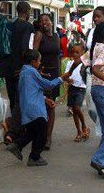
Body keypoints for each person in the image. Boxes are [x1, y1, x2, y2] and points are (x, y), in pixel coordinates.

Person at [67, 21, 104, 179]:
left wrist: (68, 73)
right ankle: (100, 159)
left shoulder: (94, 48)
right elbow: (95, 69)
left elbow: (80, 61)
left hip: (96, 91)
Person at [5, 49, 62, 167]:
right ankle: (34, 156)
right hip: (34, 109)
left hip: (27, 108)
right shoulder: (31, 72)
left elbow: (32, 90)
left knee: (32, 131)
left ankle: (17, 146)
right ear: (32, 62)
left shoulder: (24, 72)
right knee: (42, 131)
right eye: (39, 61)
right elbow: (48, 84)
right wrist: (61, 79)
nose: (40, 63)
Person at [4, 1, 34, 144]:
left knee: (12, 99)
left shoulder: (9, 24)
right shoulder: (27, 26)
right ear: (27, 12)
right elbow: (25, 48)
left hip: (7, 67)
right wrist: (24, 67)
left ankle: (15, 129)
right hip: (18, 68)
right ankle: (16, 132)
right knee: (19, 100)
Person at [31, 13, 62, 150]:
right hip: (42, 74)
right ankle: (40, 135)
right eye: (41, 21)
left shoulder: (56, 36)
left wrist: (61, 76)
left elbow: (58, 56)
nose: (44, 22)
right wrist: (36, 73)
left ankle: (48, 137)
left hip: (54, 74)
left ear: (51, 22)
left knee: (51, 105)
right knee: (42, 105)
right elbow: (33, 55)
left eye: (47, 20)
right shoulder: (39, 35)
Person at [66, 41, 89, 142]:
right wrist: (68, 80)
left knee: (77, 107)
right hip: (72, 88)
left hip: (81, 88)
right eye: (73, 52)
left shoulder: (84, 63)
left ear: (83, 52)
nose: (75, 54)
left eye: (77, 52)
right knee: (74, 111)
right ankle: (79, 132)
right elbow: (66, 75)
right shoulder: (69, 63)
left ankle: (84, 125)